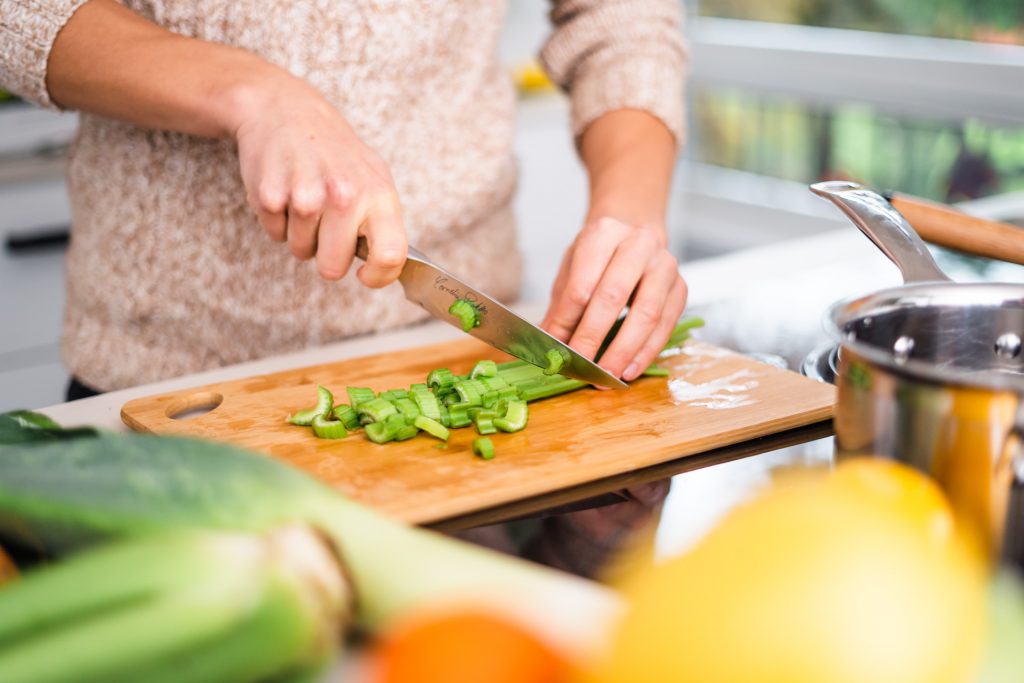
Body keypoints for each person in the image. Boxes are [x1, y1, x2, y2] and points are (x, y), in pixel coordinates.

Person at [2, 0, 687, 577]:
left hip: (460, 362)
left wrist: (628, 211)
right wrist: (251, 91)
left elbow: (622, 17)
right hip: (159, 396)